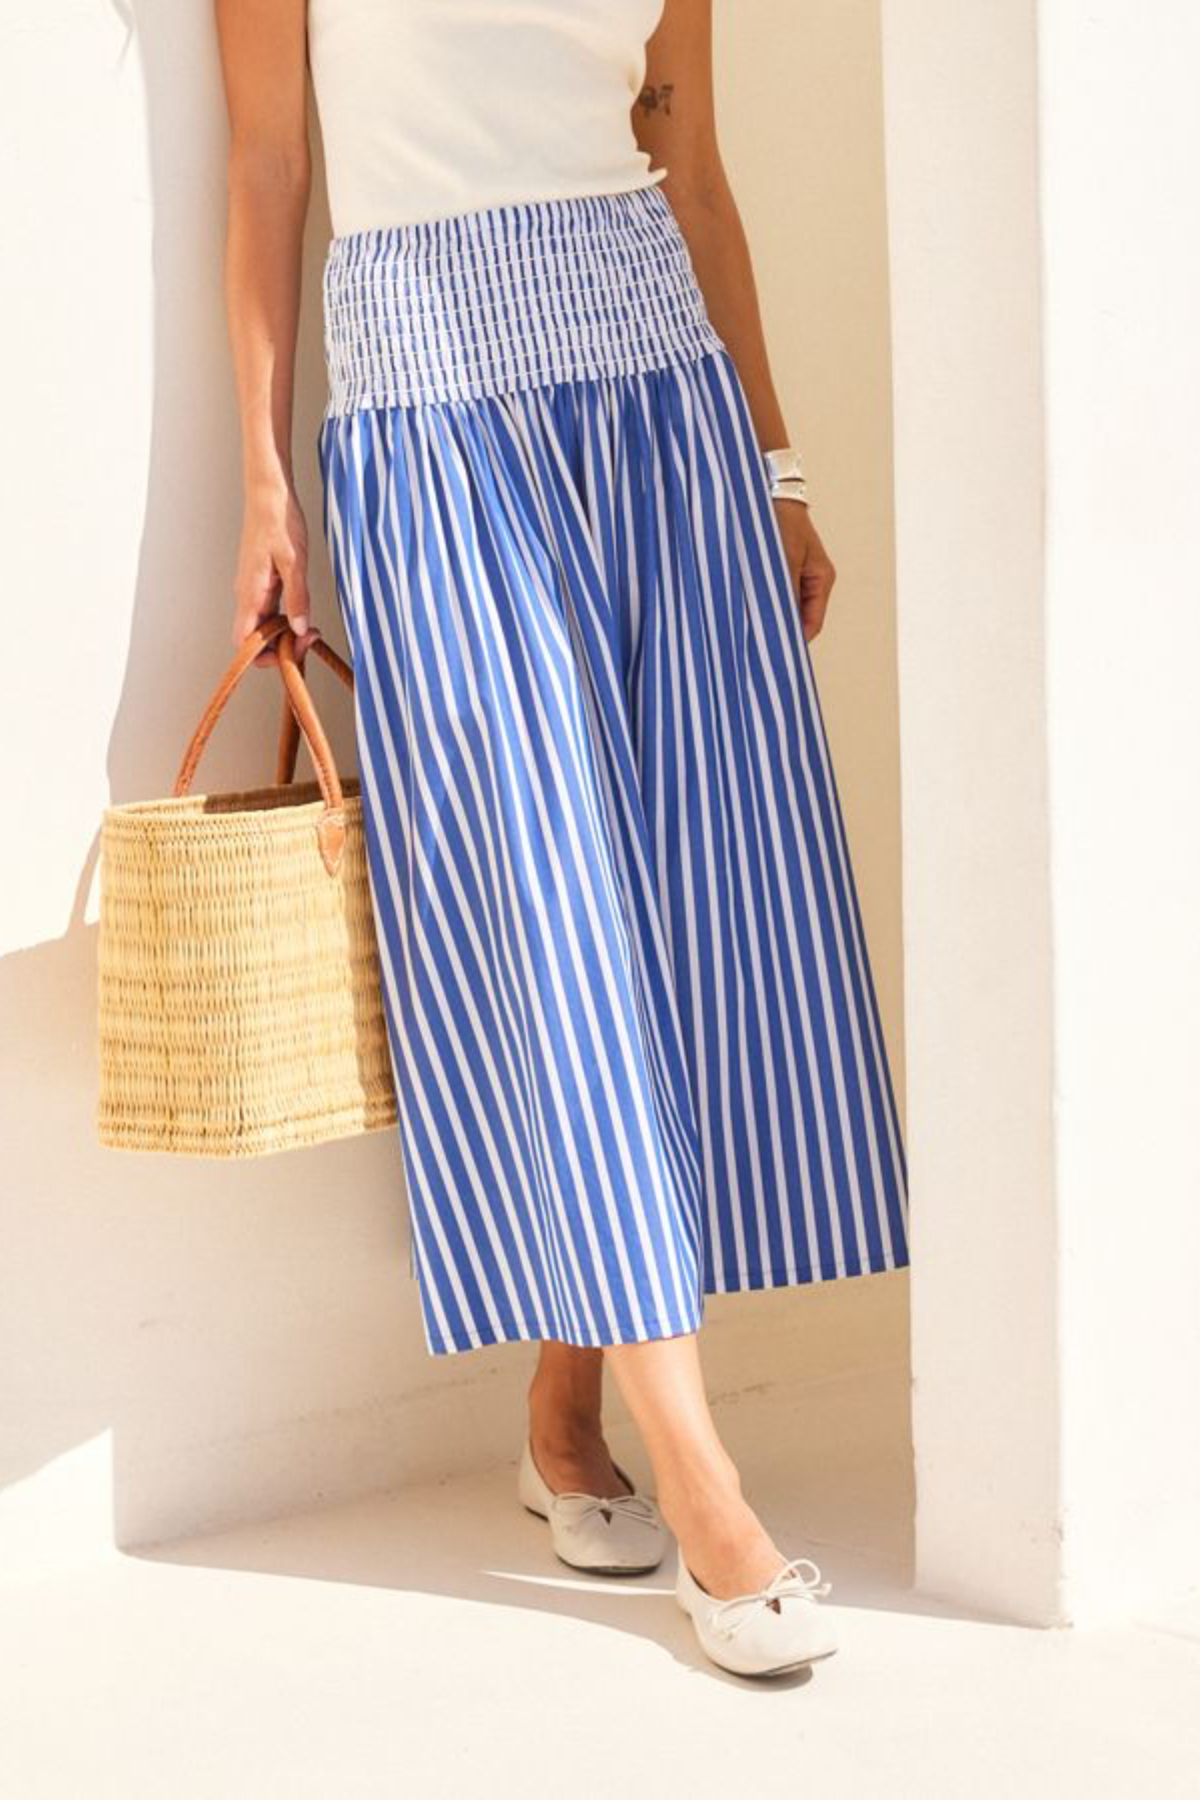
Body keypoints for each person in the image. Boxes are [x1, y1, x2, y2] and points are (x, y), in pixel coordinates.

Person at [214, 0, 909, 1679]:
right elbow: (269, 162)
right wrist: (262, 484)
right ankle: (713, 1493)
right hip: (432, 420)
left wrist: (780, 463)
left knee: (673, 904)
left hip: (660, 415)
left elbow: (694, 173)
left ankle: (561, 1410)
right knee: (542, 916)